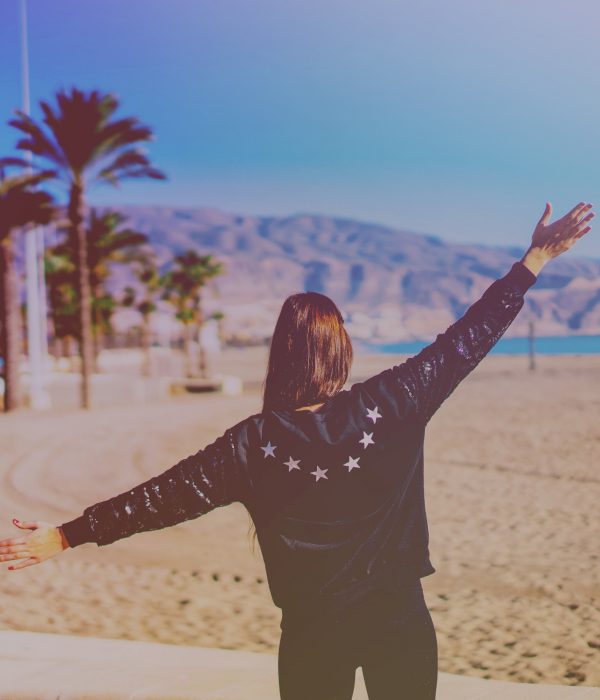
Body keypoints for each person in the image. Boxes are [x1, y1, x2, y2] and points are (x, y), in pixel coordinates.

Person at [0, 201, 594, 700]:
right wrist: (533, 262)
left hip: (313, 632)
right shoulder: (395, 400)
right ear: (340, 350)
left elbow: (162, 499)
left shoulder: (253, 443)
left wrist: (67, 535)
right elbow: (468, 339)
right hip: (399, 619)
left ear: (280, 354)